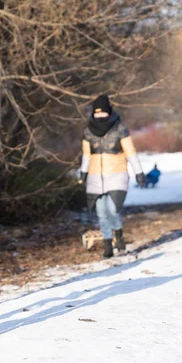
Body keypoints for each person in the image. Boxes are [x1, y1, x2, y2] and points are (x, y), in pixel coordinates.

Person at [78, 95, 144, 258]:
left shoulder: (120, 129)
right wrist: (83, 172)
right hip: (95, 176)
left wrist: (139, 172)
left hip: (117, 174)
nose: (100, 117)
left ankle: (118, 235)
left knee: (113, 209)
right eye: (97, 114)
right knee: (101, 212)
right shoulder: (88, 131)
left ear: (109, 112)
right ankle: (108, 246)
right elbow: (86, 155)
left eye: (103, 113)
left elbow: (130, 152)